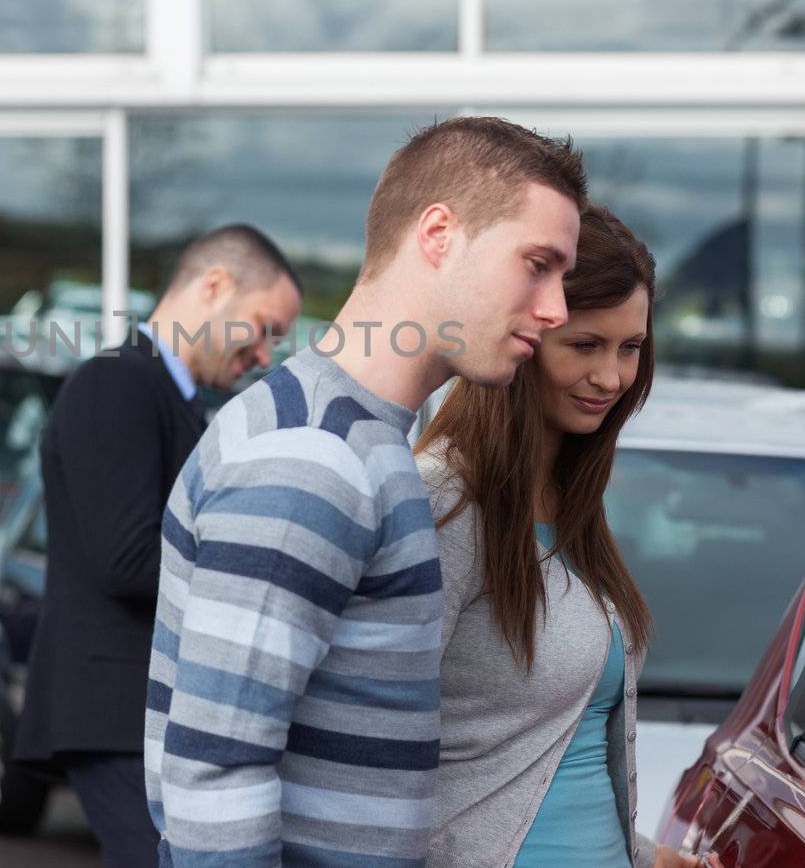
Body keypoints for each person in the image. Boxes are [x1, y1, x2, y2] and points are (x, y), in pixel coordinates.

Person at [146, 116, 587, 867]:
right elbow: (216, 770)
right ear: (439, 233)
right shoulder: (313, 454)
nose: (557, 310)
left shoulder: (361, 439)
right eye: (536, 263)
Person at [414, 205, 699, 868]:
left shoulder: (574, 503)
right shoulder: (442, 504)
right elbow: (366, 748)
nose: (612, 378)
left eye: (630, 348)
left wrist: (643, 853)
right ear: (523, 333)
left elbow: (549, 753)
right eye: (586, 345)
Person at [15, 224, 302, 868]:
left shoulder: (170, 396)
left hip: (139, 711)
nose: (263, 356)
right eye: (262, 328)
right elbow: (127, 560)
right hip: (115, 712)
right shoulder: (114, 383)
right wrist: (264, 575)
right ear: (213, 286)